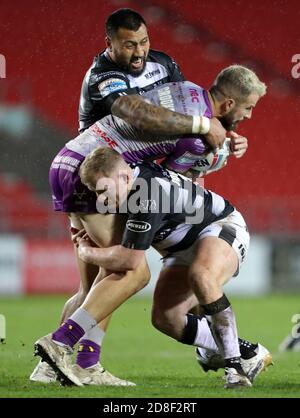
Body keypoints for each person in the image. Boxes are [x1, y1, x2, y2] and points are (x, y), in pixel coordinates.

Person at [32, 65, 266, 385]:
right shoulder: (174, 154)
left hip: (70, 161)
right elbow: (177, 170)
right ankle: (76, 358)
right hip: (101, 173)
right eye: (248, 108)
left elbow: (169, 174)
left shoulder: (185, 91)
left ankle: (56, 362)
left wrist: (222, 139)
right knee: (129, 273)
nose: (250, 116)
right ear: (226, 105)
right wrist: (216, 144)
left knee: (104, 283)